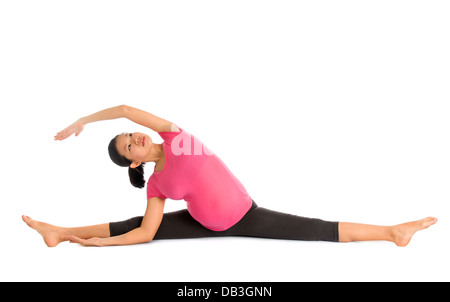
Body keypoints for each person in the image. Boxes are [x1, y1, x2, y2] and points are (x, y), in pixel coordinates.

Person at [22, 105, 437, 247]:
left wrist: (83, 120)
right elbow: (146, 233)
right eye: (130, 146)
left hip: (244, 215)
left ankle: (392, 233)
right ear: (135, 162)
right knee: (132, 225)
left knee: (314, 229)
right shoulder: (156, 184)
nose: (135, 137)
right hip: (206, 225)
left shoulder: (175, 136)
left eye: (132, 135)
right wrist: (94, 244)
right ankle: (61, 231)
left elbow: (128, 107)